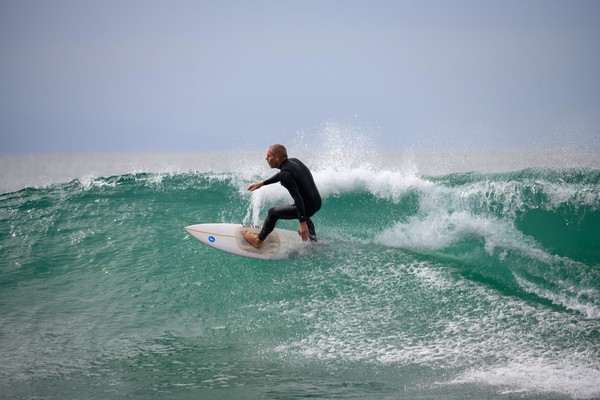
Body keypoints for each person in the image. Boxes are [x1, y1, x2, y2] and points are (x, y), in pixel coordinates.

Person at [243, 144, 321, 248]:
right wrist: (262, 183)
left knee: (272, 213)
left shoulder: (285, 175)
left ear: (277, 157)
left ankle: (258, 240)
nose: (266, 159)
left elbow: (297, 198)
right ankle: (313, 241)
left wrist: (302, 223)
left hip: (308, 207)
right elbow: (281, 175)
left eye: (268, 156)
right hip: (316, 202)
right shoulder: (294, 161)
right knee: (300, 208)